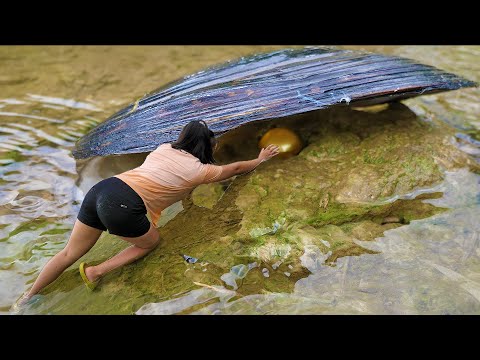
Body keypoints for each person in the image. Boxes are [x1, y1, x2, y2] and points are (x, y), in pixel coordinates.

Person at [18, 120, 279, 304]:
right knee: (150, 243)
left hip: (103, 188)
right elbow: (233, 169)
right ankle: (95, 272)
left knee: (68, 253)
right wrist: (260, 160)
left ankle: (27, 297)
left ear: (182, 139)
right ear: (207, 146)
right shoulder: (201, 171)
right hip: (122, 205)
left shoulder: (163, 148)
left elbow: (168, 180)